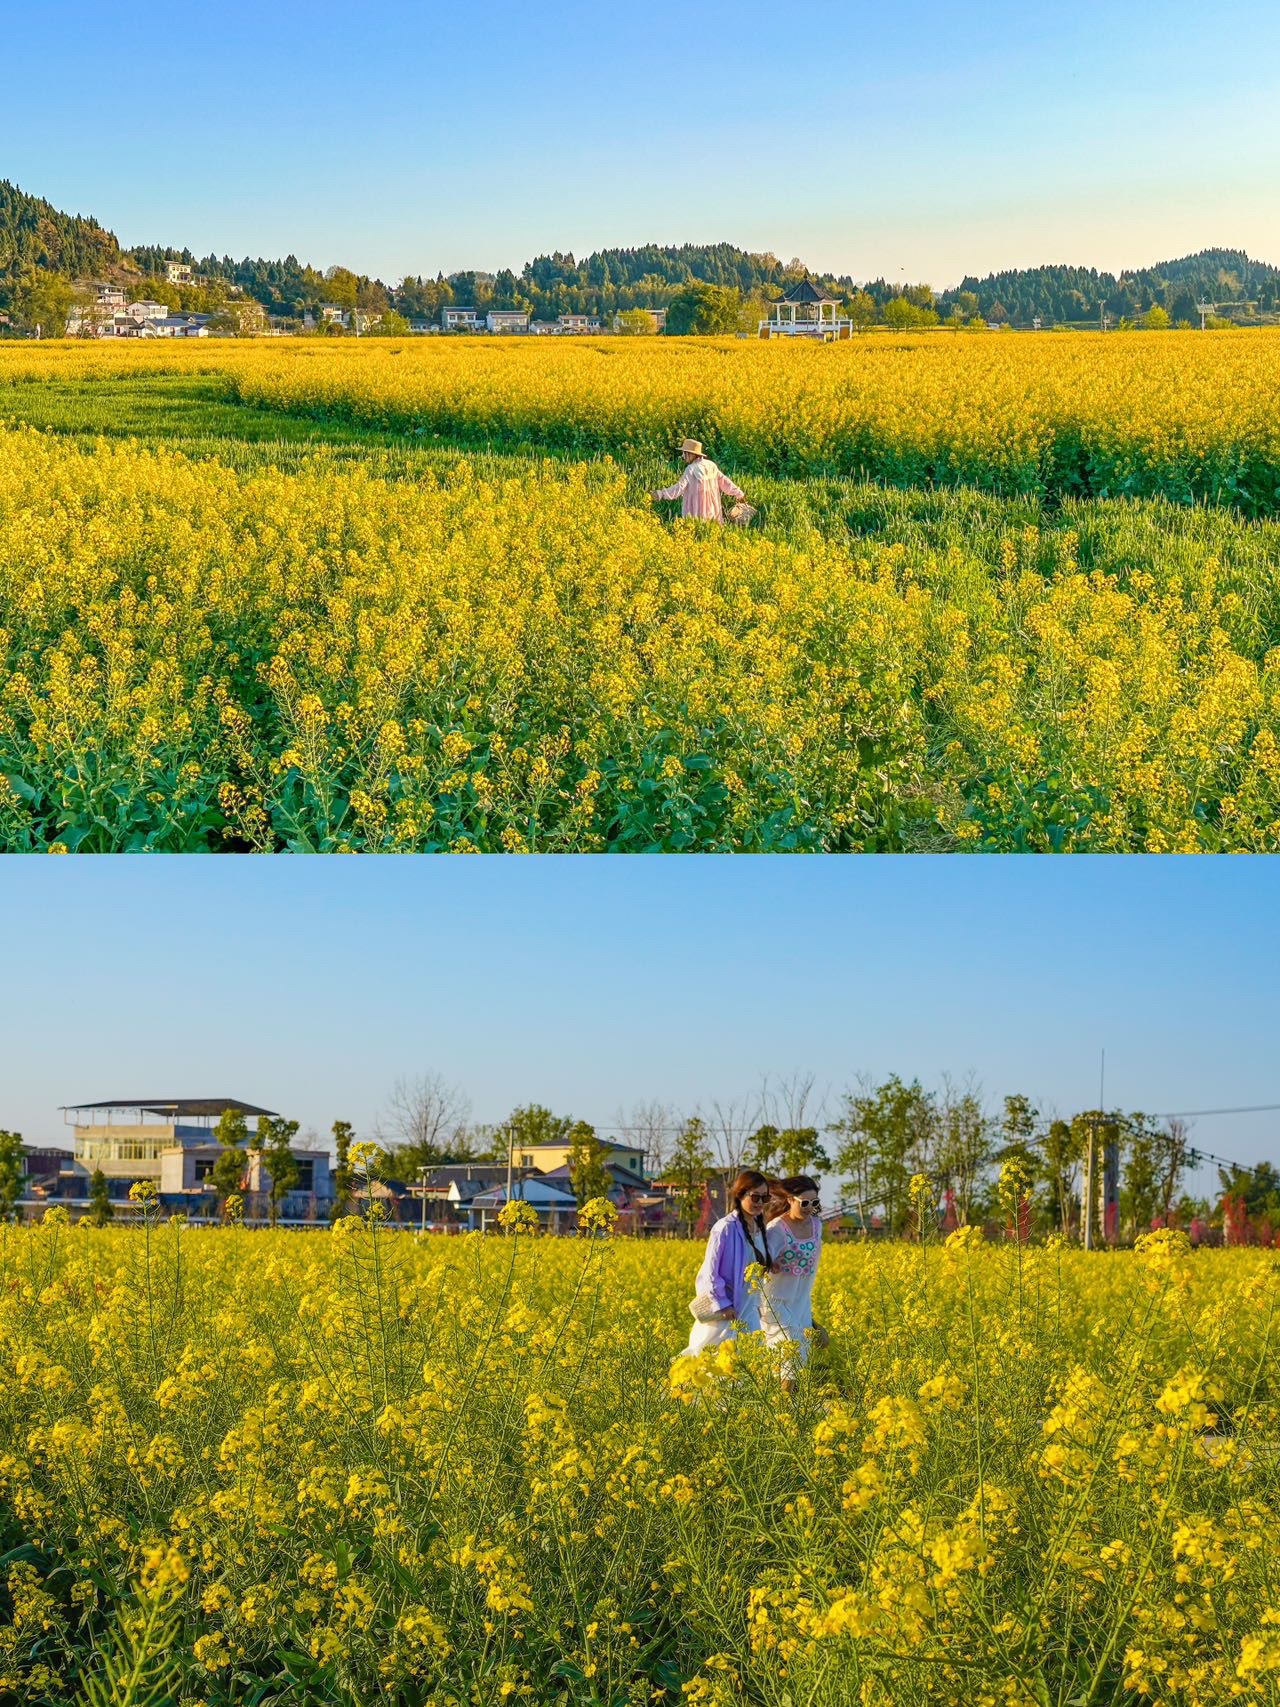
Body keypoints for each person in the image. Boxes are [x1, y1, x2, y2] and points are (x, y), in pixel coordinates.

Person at [682, 1170, 774, 1355]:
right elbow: (710, 1272)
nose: (760, 1203)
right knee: (716, 1366)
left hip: (750, 1309)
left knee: (747, 1365)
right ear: (740, 1195)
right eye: (755, 1197)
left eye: (765, 1198)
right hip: (727, 1312)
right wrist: (722, 1305)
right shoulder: (725, 1228)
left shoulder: (759, 1227)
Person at [761, 1176, 827, 1384]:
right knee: (790, 1345)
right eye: (804, 1202)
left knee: (797, 1358)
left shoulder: (817, 1226)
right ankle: (785, 1407)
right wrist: (768, 1263)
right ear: (790, 1199)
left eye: (814, 1203)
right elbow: (758, 1258)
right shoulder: (776, 1229)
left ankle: (784, 1407)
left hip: (800, 1302)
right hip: (775, 1302)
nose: (810, 1208)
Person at [651, 438, 747, 524]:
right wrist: (739, 493)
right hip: (713, 510)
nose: (683, 456)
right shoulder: (711, 465)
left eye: (685, 453)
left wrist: (661, 493)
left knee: (697, 532)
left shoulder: (690, 469)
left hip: (696, 511)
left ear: (692, 454)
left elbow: (679, 488)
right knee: (712, 531)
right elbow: (725, 481)